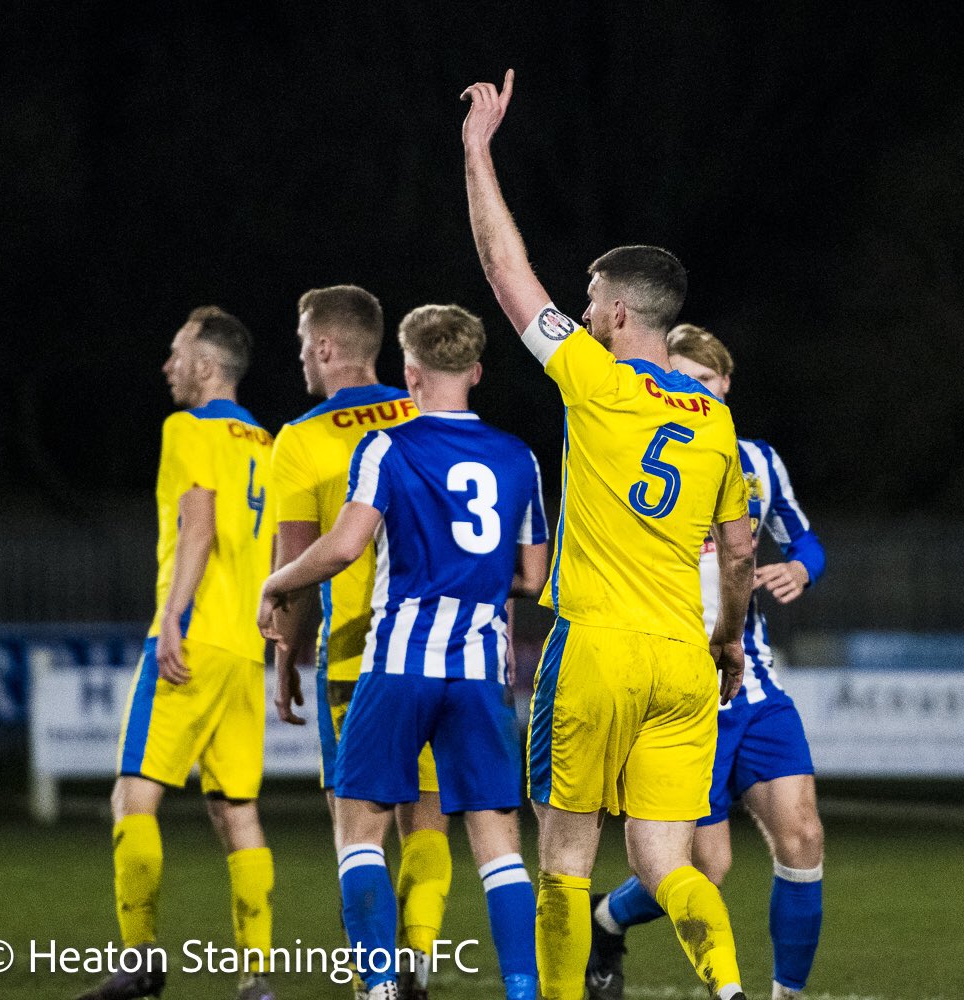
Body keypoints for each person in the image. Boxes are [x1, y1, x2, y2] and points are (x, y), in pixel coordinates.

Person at [461, 71, 755, 1000]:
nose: (585, 312)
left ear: (620, 313)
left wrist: (477, 152)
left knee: (564, 861)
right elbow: (739, 550)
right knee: (670, 863)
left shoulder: (593, 376)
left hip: (594, 651)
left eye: (592, 299)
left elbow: (506, 272)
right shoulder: (717, 423)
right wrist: (729, 640)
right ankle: (731, 989)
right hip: (684, 659)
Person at [259, 304, 549, 1000]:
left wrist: (277, 582)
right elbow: (534, 576)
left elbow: (344, 547)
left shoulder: (386, 448)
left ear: (410, 373)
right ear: (476, 372)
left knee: (360, 829)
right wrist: (474, 583)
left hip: (397, 663)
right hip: (479, 671)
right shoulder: (519, 457)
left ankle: (381, 986)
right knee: (497, 844)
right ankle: (521, 990)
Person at [587, 324, 825, 1000]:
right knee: (704, 869)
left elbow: (805, 541)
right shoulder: (639, 453)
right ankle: (606, 921)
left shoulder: (757, 463)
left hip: (754, 682)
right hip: (680, 689)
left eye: (702, 379)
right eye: (677, 375)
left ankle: (786, 995)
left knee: (803, 836)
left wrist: (801, 570)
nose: (689, 388)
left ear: (725, 385)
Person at [79, 307, 276, 1000]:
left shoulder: (187, 429)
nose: (168, 366)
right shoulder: (266, 441)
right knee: (237, 810)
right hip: (246, 647)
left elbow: (199, 524)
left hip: (194, 638)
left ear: (206, 365)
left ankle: (139, 959)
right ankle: (257, 977)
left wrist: (170, 618)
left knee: (133, 796)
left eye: (177, 353)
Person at [269, 285, 451, 999]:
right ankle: (420, 961)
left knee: (359, 833)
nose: (300, 360)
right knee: (427, 823)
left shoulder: (302, 438)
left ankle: (376, 982)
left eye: (301, 345)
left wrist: (285, 657)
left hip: (357, 661)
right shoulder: (426, 415)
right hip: (442, 656)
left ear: (323, 347)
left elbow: (297, 565)